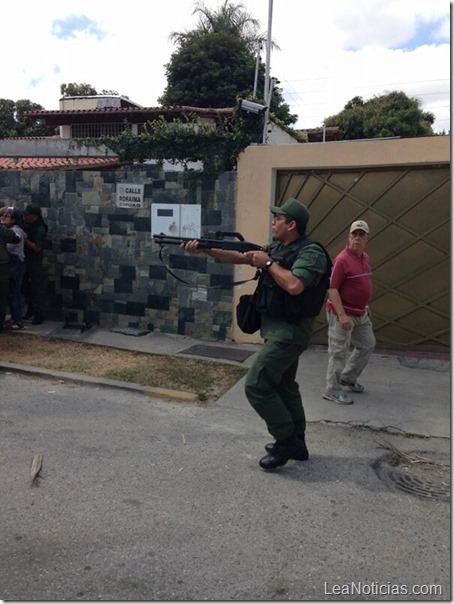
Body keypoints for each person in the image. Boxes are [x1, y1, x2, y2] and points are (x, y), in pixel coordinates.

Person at [180, 198, 331, 471]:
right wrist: (205, 249)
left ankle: (285, 440)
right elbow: (240, 256)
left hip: (291, 332)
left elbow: (295, 285)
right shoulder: (277, 247)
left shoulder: (310, 253)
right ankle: (298, 441)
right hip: (277, 329)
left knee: (257, 385)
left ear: (292, 224)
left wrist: (269, 262)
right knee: (284, 386)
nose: (273, 222)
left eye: (278, 219)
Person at [323, 220, 376, 405]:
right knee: (339, 353)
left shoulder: (365, 258)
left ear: (367, 239)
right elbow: (333, 288)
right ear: (349, 237)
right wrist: (342, 315)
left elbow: (361, 285)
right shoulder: (342, 260)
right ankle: (332, 390)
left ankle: (348, 377)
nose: (357, 238)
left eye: (361, 235)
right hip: (342, 314)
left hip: (360, 313)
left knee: (368, 344)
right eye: (354, 234)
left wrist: (365, 305)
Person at [0, 208, 27, 329]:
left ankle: (17, 320)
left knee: (13, 293)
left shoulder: (15, 231)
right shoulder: (8, 230)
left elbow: (14, 242)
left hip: (15, 267)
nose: (4, 216)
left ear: (14, 220)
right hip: (11, 266)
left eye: (7, 216)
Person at [22, 205, 49, 325]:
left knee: (37, 288)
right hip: (25, 260)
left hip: (34, 262)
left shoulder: (39, 229)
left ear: (34, 217)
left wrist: (24, 239)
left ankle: (39, 314)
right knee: (25, 287)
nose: (25, 216)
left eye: (28, 215)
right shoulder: (28, 224)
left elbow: (37, 248)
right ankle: (30, 309)